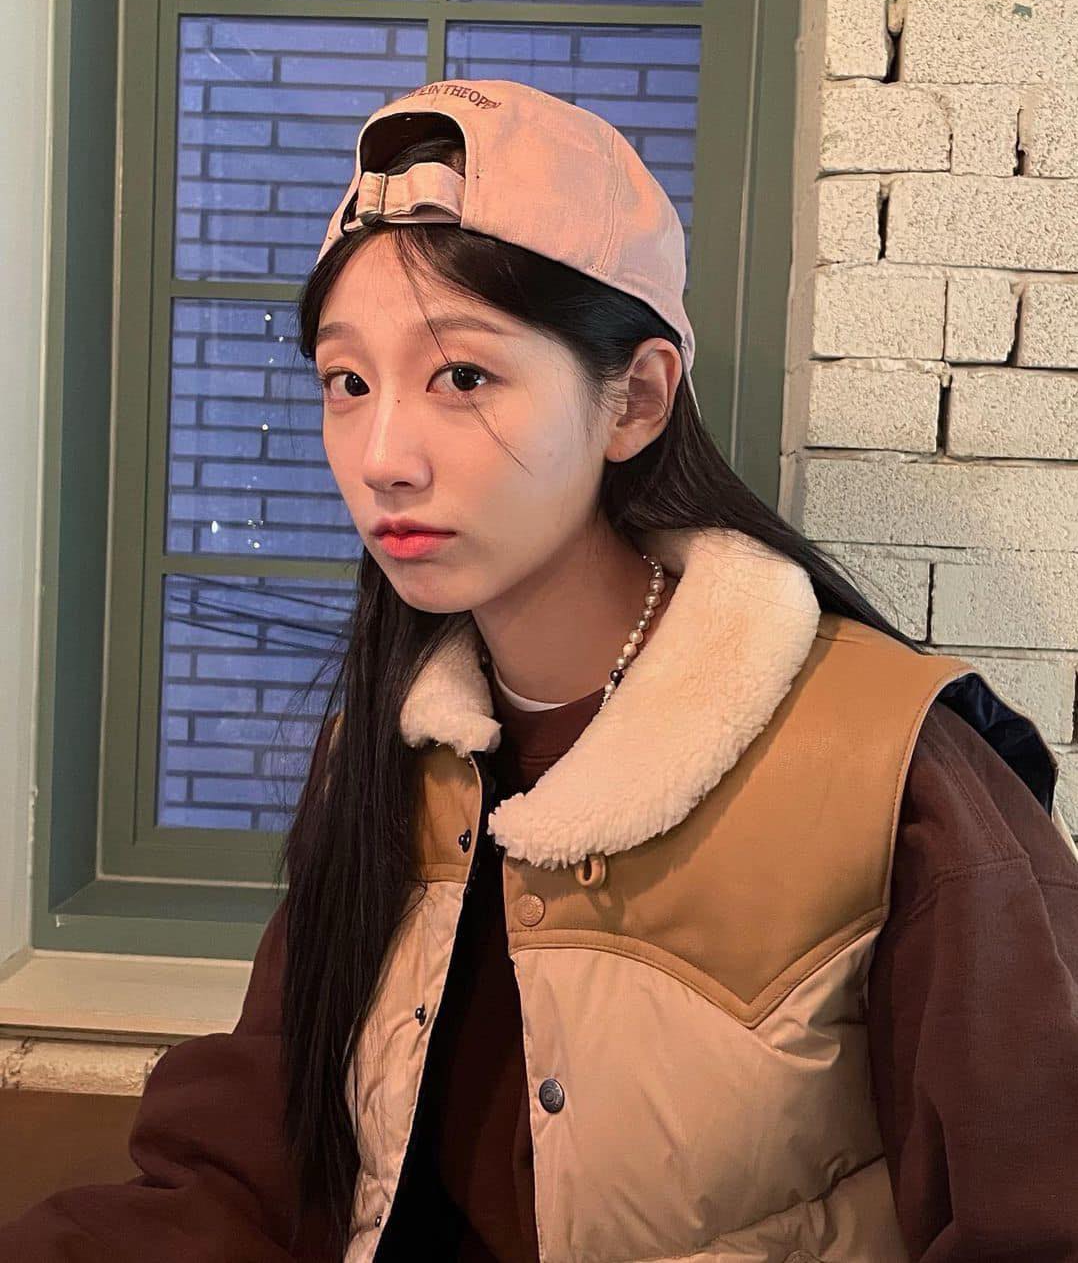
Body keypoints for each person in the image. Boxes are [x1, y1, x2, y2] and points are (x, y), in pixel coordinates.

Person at [4, 78, 1078, 1262]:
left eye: (462, 377)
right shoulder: (389, 747)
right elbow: (252, 1167)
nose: (382, 456)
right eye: (346, 382)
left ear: (636, 401)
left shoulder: (896, 774)